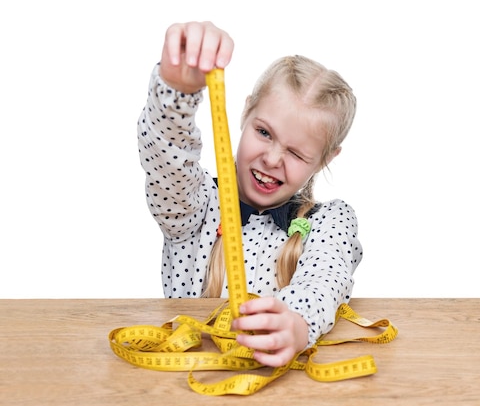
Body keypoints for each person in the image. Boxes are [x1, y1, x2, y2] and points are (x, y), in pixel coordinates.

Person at [137, 21, 362, 368]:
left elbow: (324, 279)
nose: (272, 159)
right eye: (263, 132)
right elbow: (166, 158)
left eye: (297, 153)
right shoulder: (195, 206)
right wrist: (176, 92)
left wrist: (298, 324)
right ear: (245, 112)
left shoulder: (330, 222)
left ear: (324, 159)